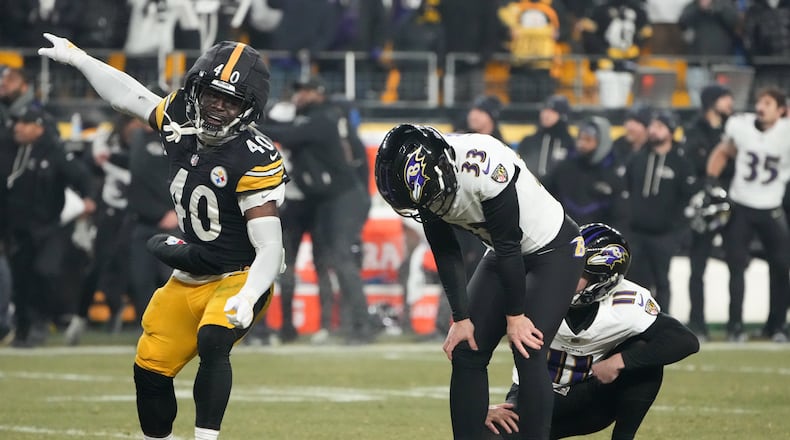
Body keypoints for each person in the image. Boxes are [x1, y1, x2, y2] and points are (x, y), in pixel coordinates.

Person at [39, 33, 287, 440]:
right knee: (150, 367)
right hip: (191, 273)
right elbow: (129, 96)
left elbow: (270, 247)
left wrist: (247, 296)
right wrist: (80, 59)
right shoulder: (178, 118)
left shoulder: (254, 156)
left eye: (231, 102)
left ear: (249, 110)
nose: (218, 108)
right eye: (211, 96)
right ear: (196, 92)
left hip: (240, 275)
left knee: (213, 338)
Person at [375, 124, 585, 439]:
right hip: (504, 252)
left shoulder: (484, 163)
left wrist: (515, 317)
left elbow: (509, 244)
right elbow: (446, 251)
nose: (429, 207)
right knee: (465, 348)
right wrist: (461, 318)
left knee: (527, 349)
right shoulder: (430, 181)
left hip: (553, 250)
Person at [484, 223, 700, 440]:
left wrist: (620, 361)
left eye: (575, 271)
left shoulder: (626, 303)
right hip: (533, 398)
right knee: (488, 434)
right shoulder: (533, 289)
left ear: (602, 280)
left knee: (643, 353)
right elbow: (472, 347)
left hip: (590, 402)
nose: (562, 275)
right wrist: (481, 408)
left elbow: (684, 340)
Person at [261, 76, 373, 344]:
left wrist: (252, 126)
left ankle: (362, 325)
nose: (301, 95)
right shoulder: (309, 119)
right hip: (328, 201)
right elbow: (287, 129)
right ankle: (355, 325)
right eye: (299, 90)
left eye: (308, 91)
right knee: (336, 260)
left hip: (344, 198)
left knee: (342, 259)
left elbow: (288, 134)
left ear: (320, 94)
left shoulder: (324, 118)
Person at [5, 107, 96, 347]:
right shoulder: (10, 150)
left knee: (43, 272)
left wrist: (88, 197)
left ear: (38, 127)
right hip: (18, 229)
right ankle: (22, 328)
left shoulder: (54, 151)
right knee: (20, 279)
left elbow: (82, 176)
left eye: (24, 123)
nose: (18, 127)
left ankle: (40, 322)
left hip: (49, 227)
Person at [707, 86, 790, 343]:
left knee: (781, 267)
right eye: (759, 101)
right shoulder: (741, 126)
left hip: (772, 207)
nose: (761, 107)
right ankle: (735, 326)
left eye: (767, 103)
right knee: (736, 267)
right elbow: (723, 152)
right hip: (741, 205)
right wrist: (710, 182)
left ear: (781, 110)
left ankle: (776, 326)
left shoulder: (786, 131)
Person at [624, 110, 697, 312]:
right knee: (635, 283)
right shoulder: (637, 158)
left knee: (662, 282)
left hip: (665, 235)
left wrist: (676, 231)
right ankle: (635, 327)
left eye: (659, 127)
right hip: (637, 232)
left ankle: (663, 327)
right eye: (652, 126)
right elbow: (627, 189)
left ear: (671, 132)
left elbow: (687, 198)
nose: (653, 131)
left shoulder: (681, 163)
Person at [683, 84, 734, 341]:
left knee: (736, 265)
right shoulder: (694, 131)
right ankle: (697, 322)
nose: (730, 104)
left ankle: (734, 326)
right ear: (712, 102)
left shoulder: (734, 128)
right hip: (705, 208)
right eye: (726, 99)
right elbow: (693, 165)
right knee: (697, 267)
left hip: (732, 206)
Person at [544, 116, 629, 232]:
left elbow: (621, 216)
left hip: (599, 239)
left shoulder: (614, 172)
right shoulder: (565, 167)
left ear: (601, 142)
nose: (581, 144)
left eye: (588, 140)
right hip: (565, 237)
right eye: (580, 139)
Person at [516, 94, 574, 182]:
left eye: (552, 111)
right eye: (545, 110)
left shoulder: (570, 144)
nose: (546, 115)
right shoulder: (528, 142)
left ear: (563, 115)